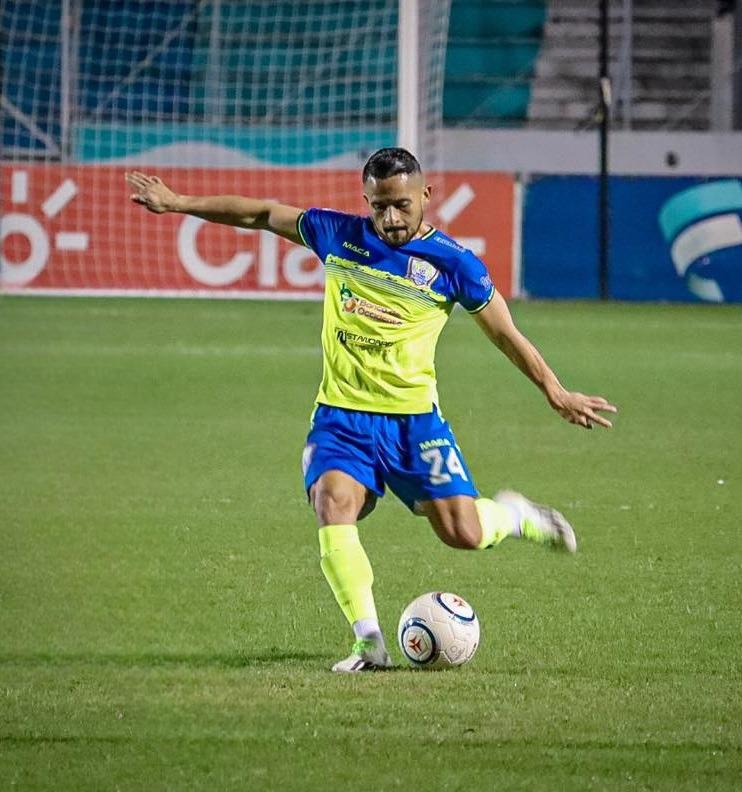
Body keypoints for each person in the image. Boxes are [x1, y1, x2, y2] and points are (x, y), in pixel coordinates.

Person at [126, 148, 617, 673]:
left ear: (426, 196)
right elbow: (262, 214)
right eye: (379, 206)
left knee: (464, 534)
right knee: (333, 503)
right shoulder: (338, 235)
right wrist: (178, 203)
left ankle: (515, 515)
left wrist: (555, 391)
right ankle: (369, 642)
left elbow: (506, 334)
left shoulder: (455, 264)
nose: (390, 218)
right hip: (342, 417)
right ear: (367, 201)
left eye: (402, 205)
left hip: (414, 424)